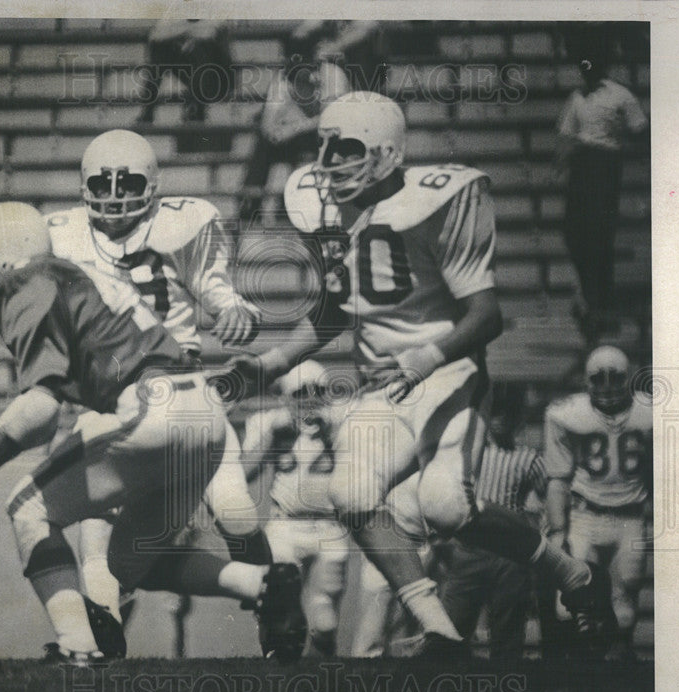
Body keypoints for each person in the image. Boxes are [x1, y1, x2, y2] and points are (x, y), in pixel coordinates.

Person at [222, 91, 608, 658]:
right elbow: (336, 310)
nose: (328, 162)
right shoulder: (325, 205)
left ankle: (572, 576)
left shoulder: (439, 198)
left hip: (446, 374)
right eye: (324, 147)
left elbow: (487, 315)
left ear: (386, 152)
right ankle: (441, 631)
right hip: (382, 385)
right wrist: (269, 364)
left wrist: (426, 357)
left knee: (448, 506)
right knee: (351, 493)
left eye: (345, 149)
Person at [0, 202, 306, 665]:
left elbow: (41, 411)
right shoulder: (72, 275)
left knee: (27, 508)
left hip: (151, 410)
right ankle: (262, 583)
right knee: (128, 565)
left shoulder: (24, 283)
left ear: (1, 261)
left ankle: (76, 644)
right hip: (204, 415)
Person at [45, 130, 273, 646]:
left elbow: (219, 292)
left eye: (127, 182)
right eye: (103, 182)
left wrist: (239, 312)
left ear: (151, 185)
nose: (115, 194)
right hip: (107, 395)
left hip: (181, 389)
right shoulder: (60, 234)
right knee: (99, 521)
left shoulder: (184, 223)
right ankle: (102, 625)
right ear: (84, 186)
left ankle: (270, 604)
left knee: (235, 513)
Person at [352, 385, 547, 663]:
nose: (501, 419)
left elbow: (548, 501)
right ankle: (441, 691)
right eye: (496, 412)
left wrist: (535, 536)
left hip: (509, 553)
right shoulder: (466, 450)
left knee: (507, 634)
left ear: (519, 417)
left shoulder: (528, 458)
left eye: (509, 413)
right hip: (467, 549)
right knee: (447, 631)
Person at [545, 345, 652, 660]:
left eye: (615, 378)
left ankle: (617, 670)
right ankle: (578, 669)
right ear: (587, 381)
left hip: (629, 518)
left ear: (629, 378)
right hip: (585, 517)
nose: (607, 387)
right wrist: (557, 529)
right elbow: (557, 478)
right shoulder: (566, 414)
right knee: (571, 606)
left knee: (624, 602)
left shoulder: (651, 413)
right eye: (598, 379)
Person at [241, 360, 351, 656]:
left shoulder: (341, 419)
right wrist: (270, 439)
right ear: (286, 396)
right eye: (302, 392)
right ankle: (276, 675)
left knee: (324, 622)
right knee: (278, 610)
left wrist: (333, 431)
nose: (310, 398)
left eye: (317, 391)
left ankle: (317, 689)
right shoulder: (269, 422)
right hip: (284, 526)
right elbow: (243, 475)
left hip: (330, 527)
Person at [554, 36, 649, 342]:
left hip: (606, 166)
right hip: (582, 167)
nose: (586, 71)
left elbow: (641, 130)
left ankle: (599, 305)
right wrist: (562, 166)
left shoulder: (621, 96)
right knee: (572, 232)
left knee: (598, 237)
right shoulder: (577, 97)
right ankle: (590, 296)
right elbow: (567, 136)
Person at [237, 36, 351, 230]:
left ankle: (341, 206)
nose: (301, 82)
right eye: (295, 76)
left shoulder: (333, 76)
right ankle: (249, 205)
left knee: (332, 141)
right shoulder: (283, 81)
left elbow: (333, 119)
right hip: (303, 133)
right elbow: (268, 125)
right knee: (263, 145)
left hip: (334, 132)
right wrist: (278, 132)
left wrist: (294, 128)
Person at [136, 20, 233, 125]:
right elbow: (155, 36)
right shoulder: (175, 16)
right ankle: (149, 110)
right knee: (160, 50)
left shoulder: (214, 18)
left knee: (199, 48)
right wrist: (187, 35)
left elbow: (208, 33)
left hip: (217, 76)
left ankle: (196, 109)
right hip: (194, 70)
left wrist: (182, 35)